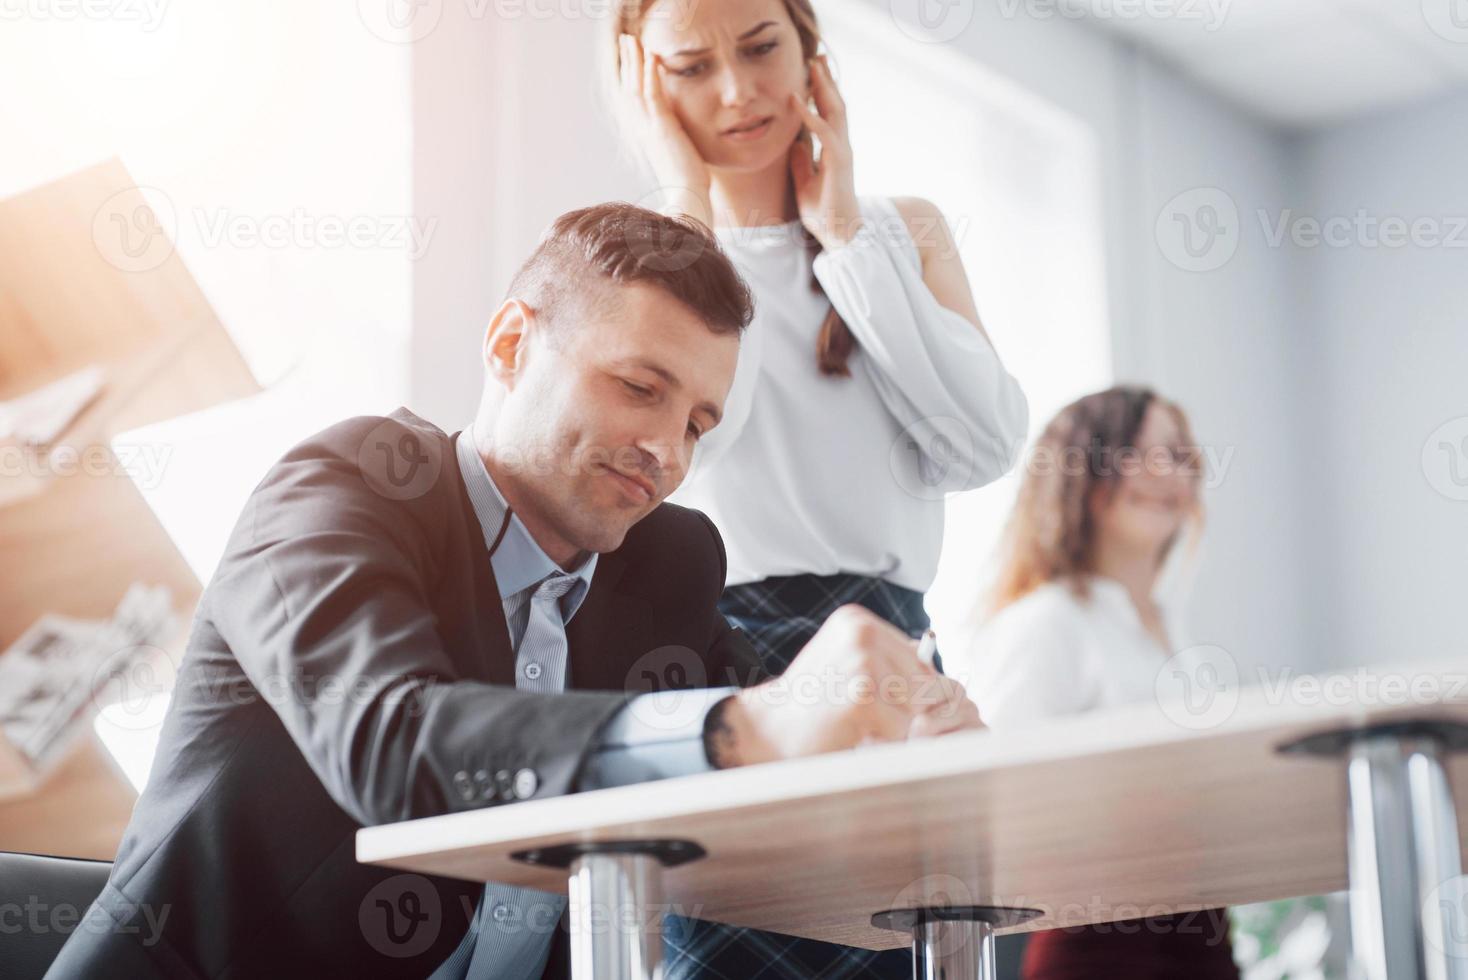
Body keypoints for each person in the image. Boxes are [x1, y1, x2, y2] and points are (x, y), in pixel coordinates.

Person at [46, 203, 982, 979]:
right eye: (637, 387)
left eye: (699, 422)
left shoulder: (670, 562)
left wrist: (894, 738)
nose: (667, 450)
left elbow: (763, 743)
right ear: (508, 343)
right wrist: (741, 732)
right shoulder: (343, 487)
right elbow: (391, 741)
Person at [606, 1, 1028, 973]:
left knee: (905, 950)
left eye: (760, 48)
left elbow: (981, 444)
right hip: (733, 684)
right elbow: (684, 454)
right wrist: (688, 210)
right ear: (643, 82)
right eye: (690, 66)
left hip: (892, 678)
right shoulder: (641, 255)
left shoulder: (897, 231)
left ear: (811, 51)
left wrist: (843, 239)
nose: (737, 91)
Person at [947, 385, 1239, 980]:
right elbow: (997, 810)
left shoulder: (1173, 625)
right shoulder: (1045, 621)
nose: (1170, 476)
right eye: (1144, 454)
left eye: (1182, 458)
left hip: (1202, 936)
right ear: (1085, 471)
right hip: (1099, 941)